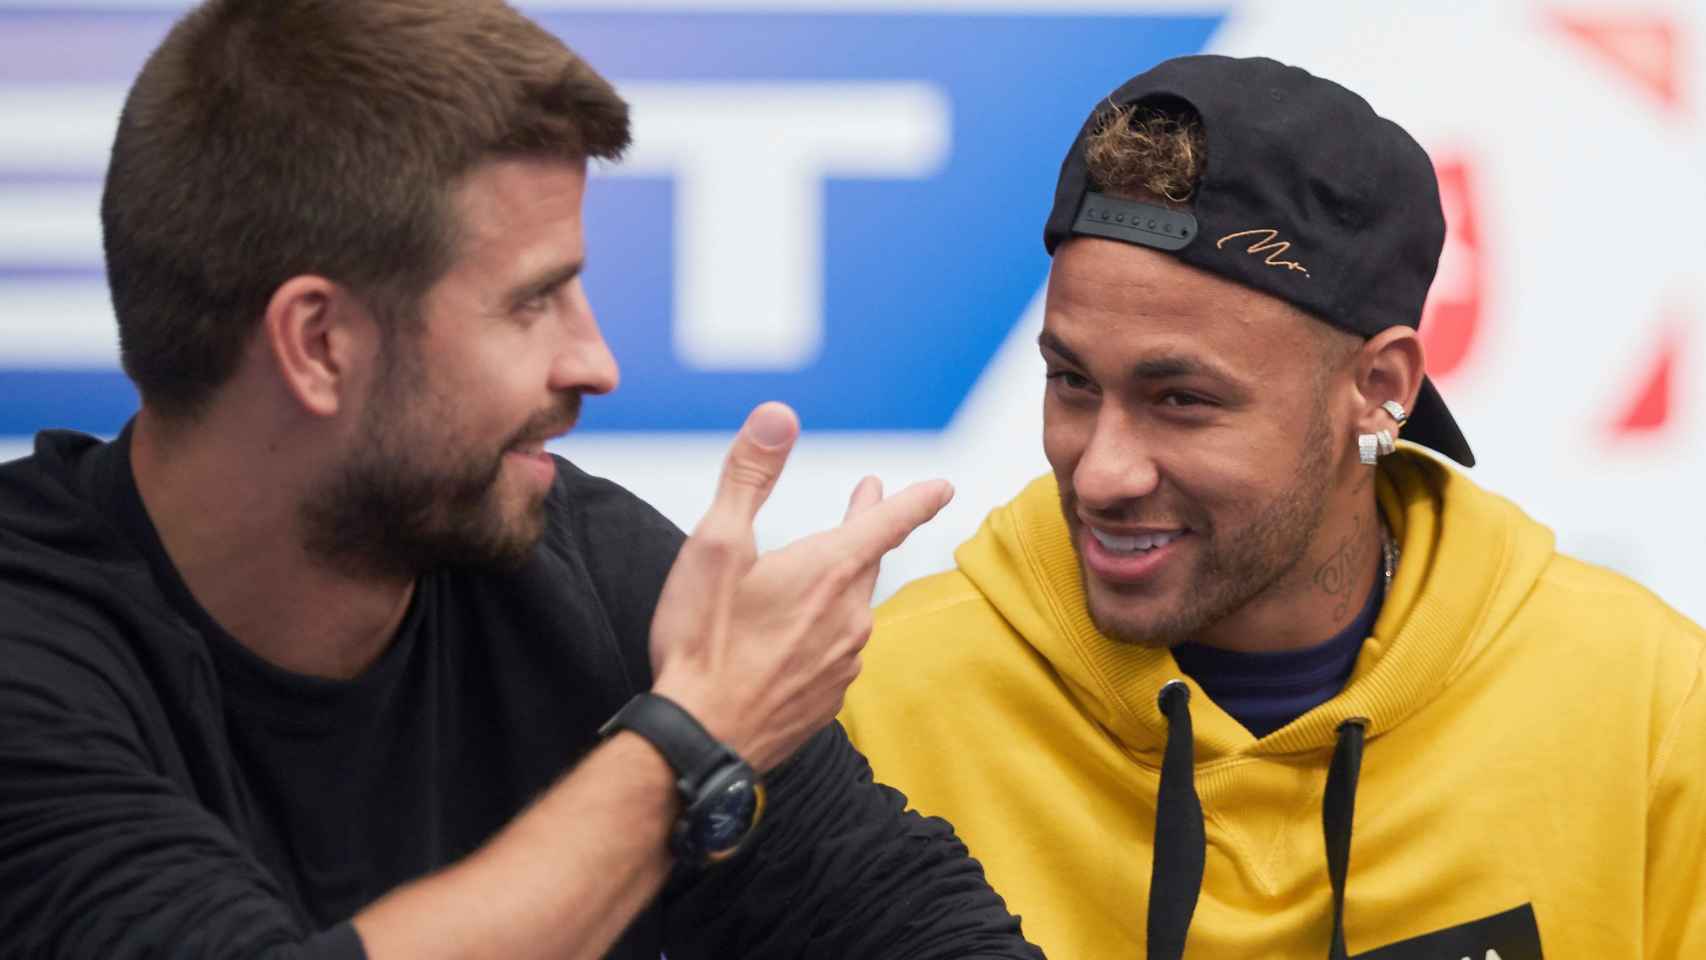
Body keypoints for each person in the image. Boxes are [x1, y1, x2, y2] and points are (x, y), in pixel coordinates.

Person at [0, 2, 1046, 958]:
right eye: (531, 301)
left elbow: (922, 932)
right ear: (317, 343)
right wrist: (693, 742)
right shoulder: (30, 659)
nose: (593, 362)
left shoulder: (583, 565)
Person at [842, 54, 1706, 959]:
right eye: (1072, 382)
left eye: (1180, 399)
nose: (1100, 474)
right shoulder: (881, 705)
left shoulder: (1647, 710)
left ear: (1378, 389)